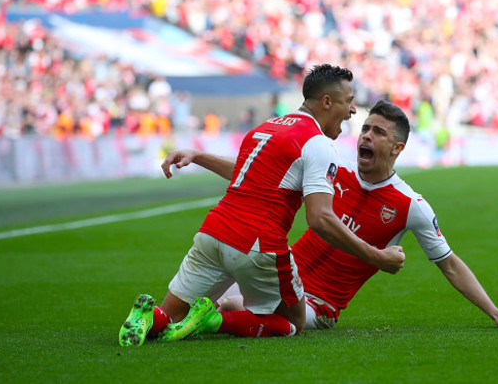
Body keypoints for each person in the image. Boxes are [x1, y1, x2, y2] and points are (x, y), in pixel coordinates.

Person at [167, 100, 498, 331]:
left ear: (396, 148)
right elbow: (256, 171)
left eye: (377, 133)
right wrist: (198, 157)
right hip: (284, 276)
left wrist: (494, 312)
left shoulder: (410, 205)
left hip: (320, 307)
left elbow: (449, 264)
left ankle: (206, 320)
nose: (365, 136)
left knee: (232, 304)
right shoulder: (335, 168)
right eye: (365, 128)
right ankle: (174, 322)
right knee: (214, 296)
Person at [118, 65, 406, 347]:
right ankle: (214, 321)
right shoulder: (317, 144)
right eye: (349, 101)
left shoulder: (266, 127)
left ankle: (145, 315)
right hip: (257, 243)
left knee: (170, 316)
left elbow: (247, 171)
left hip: (213, 232)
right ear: (327, 102)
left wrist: (198, 156)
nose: (353, 109)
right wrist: (377, 257)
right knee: (295, 322)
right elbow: (320, 219)